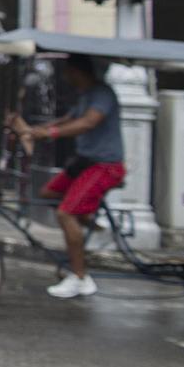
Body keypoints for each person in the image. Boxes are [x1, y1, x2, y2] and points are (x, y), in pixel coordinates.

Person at [12, 54, 124, 299]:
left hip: (104, 165)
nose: (65, 77)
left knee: (65, 213)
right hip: (85, 162)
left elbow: (87, 123)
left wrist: (50, 133)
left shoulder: (102, 94)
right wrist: (35, 130)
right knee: (49, 193)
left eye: (67, 72)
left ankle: (80, 278)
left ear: (77, 72)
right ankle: (88, 220)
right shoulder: (85, 95)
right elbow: (68, 119)